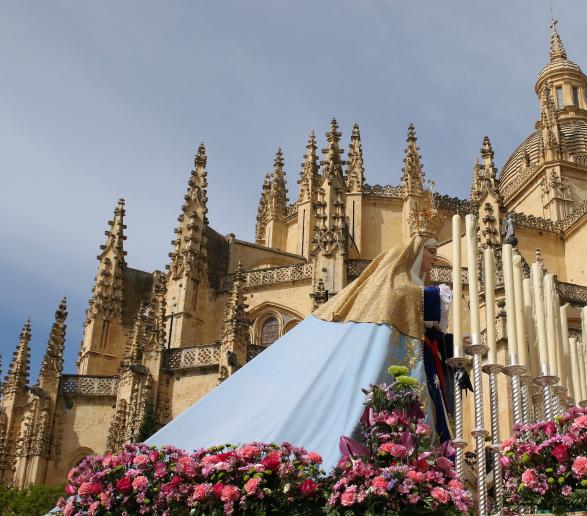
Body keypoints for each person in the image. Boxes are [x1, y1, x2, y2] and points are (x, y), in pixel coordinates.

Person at [145, 192, 460, 470]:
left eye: (436, 252)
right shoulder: (392, 288)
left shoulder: (403, 289)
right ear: (415, 251)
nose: (434, 260)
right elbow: (403, 300)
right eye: (430, 252)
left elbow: (419, 325)